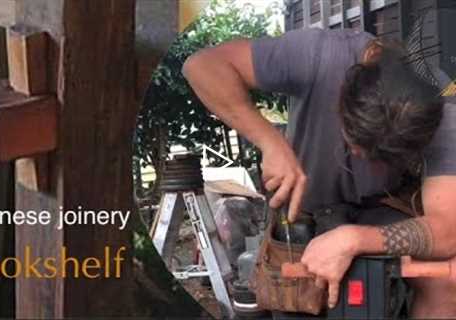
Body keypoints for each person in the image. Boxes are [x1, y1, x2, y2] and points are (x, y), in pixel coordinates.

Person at [182, 28, 456, 317]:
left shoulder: (444, 111)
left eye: (380, 155)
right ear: (342, 94)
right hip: (305, 209)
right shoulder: (320, 54)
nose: (361, 157)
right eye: (356, 140)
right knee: (295, 300)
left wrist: (354, 239)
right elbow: (201, 66)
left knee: (448, 281)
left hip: (386, 208)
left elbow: (448, 230)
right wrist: (269, 141)